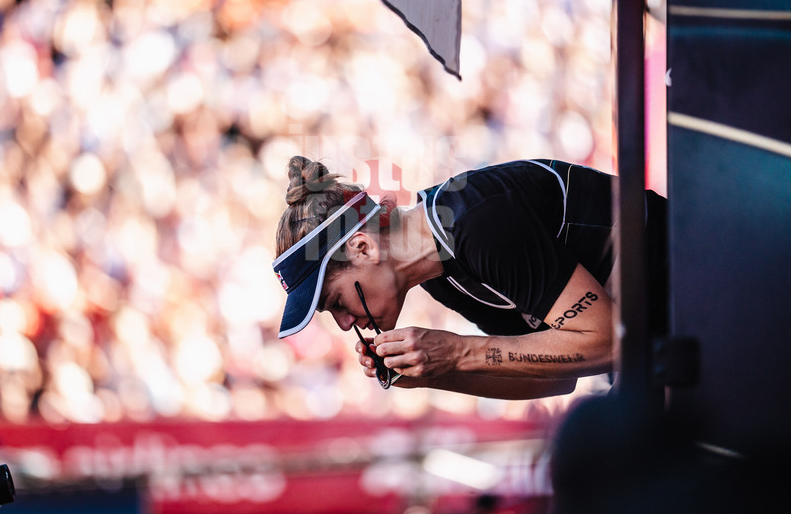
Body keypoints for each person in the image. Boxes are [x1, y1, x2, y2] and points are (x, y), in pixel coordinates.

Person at [272, 155, 667, 399]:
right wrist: (434, 372)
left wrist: (460, 352)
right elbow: (553, 376)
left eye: (336, 302)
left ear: (364, 249)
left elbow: (608, 341)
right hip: (667, 330)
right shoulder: (439, 272)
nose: (345, 324)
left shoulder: (475, 223)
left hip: (693, 289)